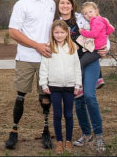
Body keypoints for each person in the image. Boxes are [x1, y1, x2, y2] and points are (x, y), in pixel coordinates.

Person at [4, 0, 56, 150]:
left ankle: (46, 130)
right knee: (20, 95)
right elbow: (13, 32)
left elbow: (67, 24)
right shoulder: (22, 4)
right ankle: (14, 131)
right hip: (26, 57)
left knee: (45, 95)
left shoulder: (52, 4)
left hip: (47, 59)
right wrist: (37, 45)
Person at [53, 0, 109, 153]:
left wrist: (106, 48)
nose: (65, 5)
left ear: (72, 5)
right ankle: (86, 134)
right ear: (58, 5)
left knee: (90, 96)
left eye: (68, 3)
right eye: (62, 3)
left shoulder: (82, 18)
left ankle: (98, 135)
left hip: (89, 60)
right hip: (72, 65)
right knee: (79, 101)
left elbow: (102, 29)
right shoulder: (55, 23)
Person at [39, 20, 82, 154]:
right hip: (54, 87)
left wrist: (77, 84)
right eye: (56, 32)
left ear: (67, 33)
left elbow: (77, 67)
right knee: (57, 114)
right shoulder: (49, 48)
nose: (59, 35)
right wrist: (44, 83)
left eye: (62, 32)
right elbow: (44, 67)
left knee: (68, 114)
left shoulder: (72, 47)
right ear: (52, 33)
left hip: (69, 86)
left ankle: (68, 141)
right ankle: (59, 141)